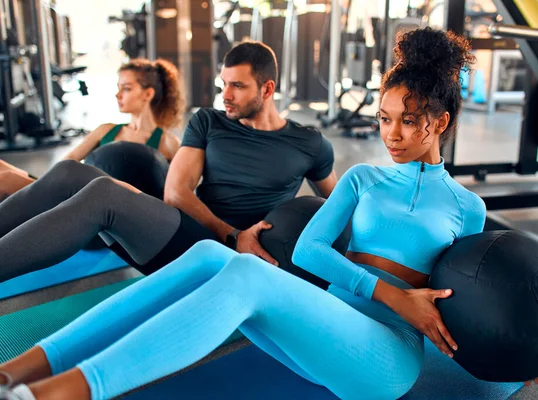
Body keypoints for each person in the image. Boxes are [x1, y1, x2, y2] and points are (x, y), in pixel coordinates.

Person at [0, 29, 538, 400]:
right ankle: (16, 372)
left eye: (409, 121)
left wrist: (520, 342)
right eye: (385, 118)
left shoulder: (467, 206)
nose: (392, 134)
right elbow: (312, 250)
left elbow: (470, 299)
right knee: (209, 254)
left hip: (387, 356)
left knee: (242, 272)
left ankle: (55, 394)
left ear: (441, 120)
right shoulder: (363, 178)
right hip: (325, 319)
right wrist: (389, 292)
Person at [0, 41, 336, 282]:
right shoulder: (209, 121)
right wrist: (232, 234)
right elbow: (176, 193)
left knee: (103, 194)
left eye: (237, 86)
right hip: (199, 235)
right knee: (69, 171)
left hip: (231, 258)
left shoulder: (308, 143)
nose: (226, 95)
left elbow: (337, 206)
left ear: (267, 89)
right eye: (223, 84)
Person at [0, 58, 183, 199]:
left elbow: (177, 191)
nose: (117, 95)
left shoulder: (168, 142)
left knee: (6, 180)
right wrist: (46, 185)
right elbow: (69, 161)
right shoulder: (106, 130)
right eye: (118, 88)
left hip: (106, 204)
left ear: (148, 94)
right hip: (76, 193)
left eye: (126, 89)